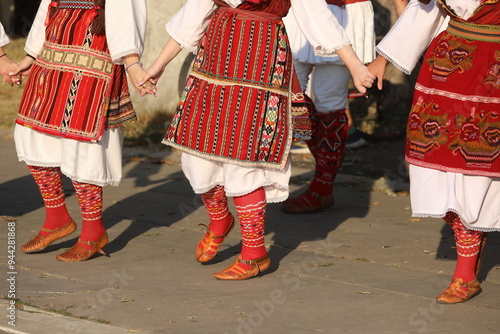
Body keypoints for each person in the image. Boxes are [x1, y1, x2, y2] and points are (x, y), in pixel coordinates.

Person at [140, 0, 375, 280]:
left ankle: (255, 254)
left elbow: (317, 14)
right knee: (197, 150)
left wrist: (355, 65)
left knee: (245, 153)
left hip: (261, 58)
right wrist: (157, 66)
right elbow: (195, 11)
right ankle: (219, 220)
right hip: (215, 54)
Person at [369, 0, 499, 303]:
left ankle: (467, 266)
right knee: (439, 160)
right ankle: (468, 258)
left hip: (492, 70)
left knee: (480, 163)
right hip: (446, 68)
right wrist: (383, 59)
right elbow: (426, 11)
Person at [9, 0, 153, 261]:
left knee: (83, 138)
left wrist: (132, 62)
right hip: (54, 46)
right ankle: (56, 216)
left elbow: (125, 7)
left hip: (94, 46)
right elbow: (48, 5)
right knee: (31, 129)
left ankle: (93, 230)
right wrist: (31, 55)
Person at [281, 0, 376, 213]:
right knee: (285, 99)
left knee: (330, 106)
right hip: (300, 10)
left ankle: (322, 186)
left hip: (346, 13)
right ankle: (318, 174)